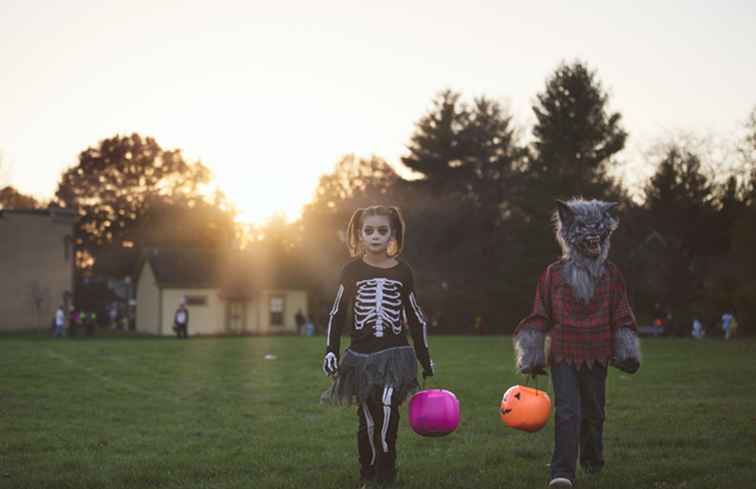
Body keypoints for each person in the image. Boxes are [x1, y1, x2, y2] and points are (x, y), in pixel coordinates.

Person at [513, 199, 640, 489]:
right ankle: (562, 472)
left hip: (597, 352)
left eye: (598, 229)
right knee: (568, 411)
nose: (593, 236)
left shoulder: (611, 274)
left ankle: (593, 461)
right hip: (564, 352)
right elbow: (540, 313)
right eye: (584, 229)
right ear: (569, 233)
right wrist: (531, 352)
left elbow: (621, 312)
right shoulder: (553, 275)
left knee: (594, 412)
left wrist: (626, 348)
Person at [321, 205, 433, 487]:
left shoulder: (403, 271)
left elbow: (415, 315)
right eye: (368, 230)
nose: (375, 236)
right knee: (368, 417)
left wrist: (424, 357)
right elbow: (337, 313)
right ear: (359, 234)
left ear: (392, 234)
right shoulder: (351, 270)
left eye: (382, 230)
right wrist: (331, 350)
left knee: (387, 406)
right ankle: (368, 471)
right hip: (361, 358)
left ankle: (386, 469)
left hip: (396, 355)